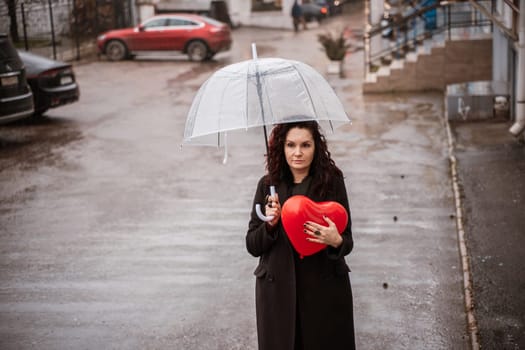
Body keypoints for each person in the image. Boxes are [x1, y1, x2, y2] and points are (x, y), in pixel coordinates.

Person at [246, 121, 355, 350]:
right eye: (290, 145)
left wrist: (335, 241)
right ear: (281, 148)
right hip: (277, 295)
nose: (298, 152)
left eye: (305, 145)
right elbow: (252, 245)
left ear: (316, 147)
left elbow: (347, 239)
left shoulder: (331, 182)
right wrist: (270, 226)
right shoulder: (268, 186)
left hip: (324, 291)